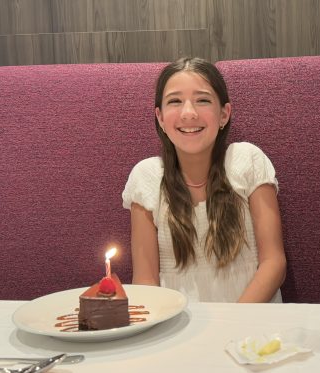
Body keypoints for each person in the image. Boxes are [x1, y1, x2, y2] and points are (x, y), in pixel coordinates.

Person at [122, 57, 286, 302]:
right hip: (179, 325)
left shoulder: (247, 160)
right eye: (175, 101)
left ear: (224, 114)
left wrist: (230, 324)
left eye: (203, 100)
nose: (189, 113)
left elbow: (274, 263)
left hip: (252, 324)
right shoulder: (146, 177)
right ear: (160, 118)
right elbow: (146, 282)